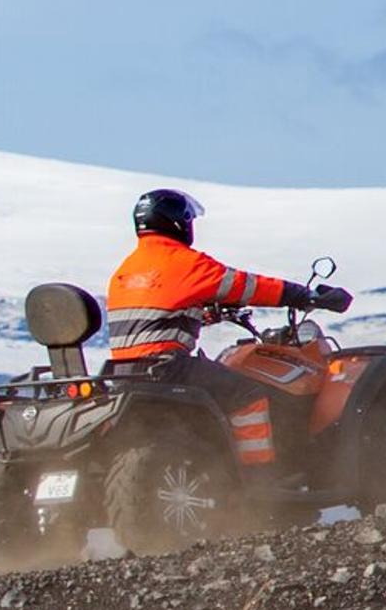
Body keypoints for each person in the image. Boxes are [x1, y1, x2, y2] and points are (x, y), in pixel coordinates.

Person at [104, 190, 351, 476]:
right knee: (247, 392)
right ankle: (259, 476)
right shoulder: (185, 262)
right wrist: (304, 296)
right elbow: (249, 286)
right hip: (169, 366)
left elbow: (157, 312)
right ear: (178, 222)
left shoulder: (127, 269)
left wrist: (202, 313)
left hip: (126, 371)